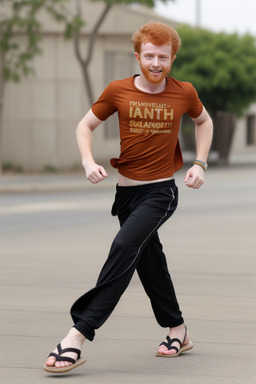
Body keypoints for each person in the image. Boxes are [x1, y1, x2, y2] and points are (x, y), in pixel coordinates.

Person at [44, 22, 213, 374]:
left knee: (124, 247)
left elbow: (204, 122)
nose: (156, 62)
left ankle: (79, 333)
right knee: (149, 262)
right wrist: (88, 161)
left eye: (163, 57)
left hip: (160, 192)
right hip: (126, 194)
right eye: (149, 56)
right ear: (137, 57)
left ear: (173, 59)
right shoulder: (118, 90)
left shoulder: (184, 92)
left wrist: (199, 162)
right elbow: (84, 125)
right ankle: (178, 331)